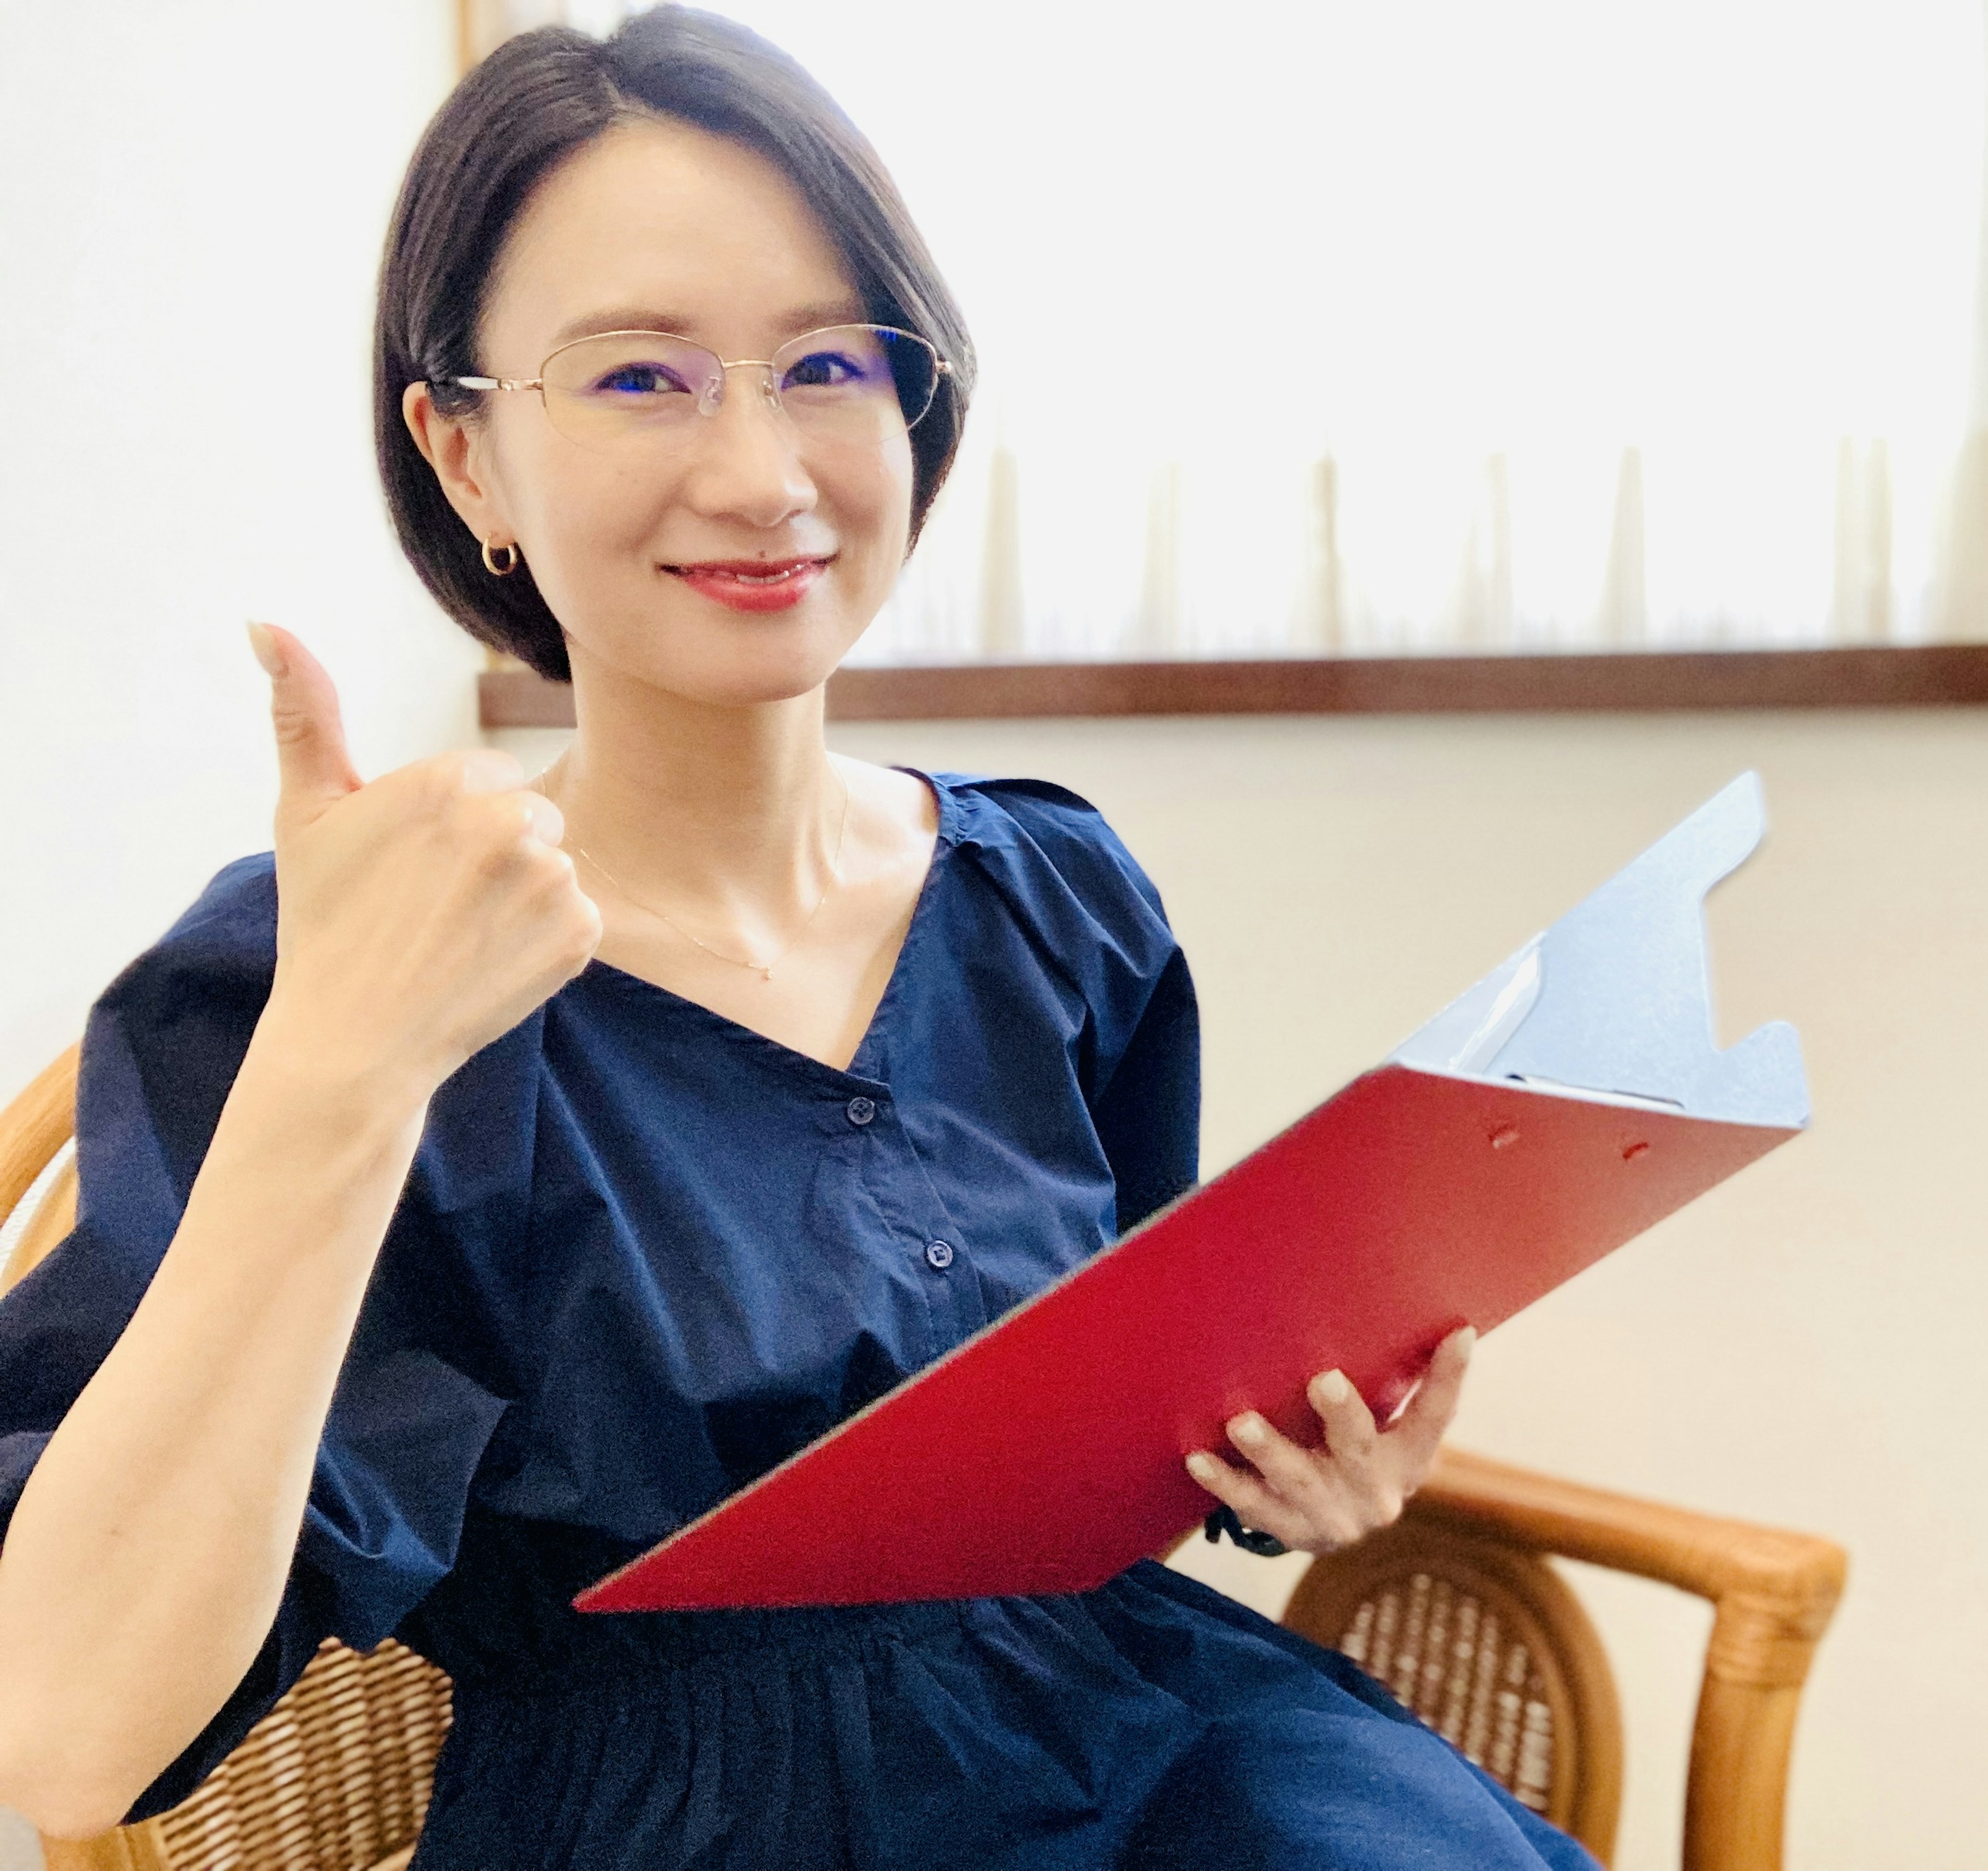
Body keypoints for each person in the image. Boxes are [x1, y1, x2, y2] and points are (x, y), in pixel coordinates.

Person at [0, 10, 1597, 1868]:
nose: (764, 476)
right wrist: (341, 1067)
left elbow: (1115, 1414)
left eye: (829, 362)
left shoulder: (1051, 900)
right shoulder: (338, 968)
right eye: (638, 380)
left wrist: (1289, 1465)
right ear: (464, 459)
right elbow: (66, 1736)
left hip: (1145, 1740)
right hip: (682, 1822)